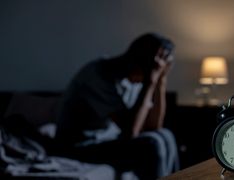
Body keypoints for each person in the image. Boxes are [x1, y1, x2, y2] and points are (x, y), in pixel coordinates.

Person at [54, 33, 179, 179]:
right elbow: (131, 131)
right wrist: (150, 81)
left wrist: (161, 81)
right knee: (151, 144)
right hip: (78, 147)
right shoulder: (98, 75)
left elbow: (153, 127)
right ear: (144, 60)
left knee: (165, 135)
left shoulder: (135, 80)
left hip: (109, 141)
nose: (159, 68)